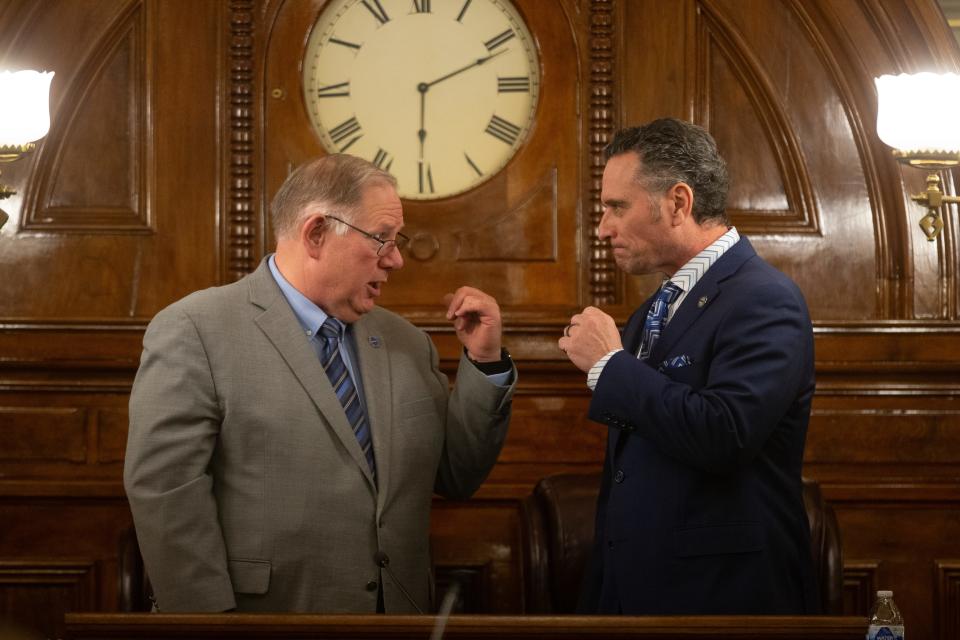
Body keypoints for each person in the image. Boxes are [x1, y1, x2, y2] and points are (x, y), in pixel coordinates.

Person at [124, 154, 516, 613]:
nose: (396, 260)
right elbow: (167, 491)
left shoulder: (408, 343)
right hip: (261, 623)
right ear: (316, 234)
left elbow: (457, 475)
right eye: (382, 240)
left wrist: (484, 361)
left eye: (397, 241)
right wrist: (209, 625)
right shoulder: (195, 329)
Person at [559, 118, 819, 615]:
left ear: (678, 203)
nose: (603, 227)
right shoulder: (651, 310)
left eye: (617, 207)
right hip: (634, 600)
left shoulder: (765, 299)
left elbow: (725, 433)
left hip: (724, 603)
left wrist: (610, 366)